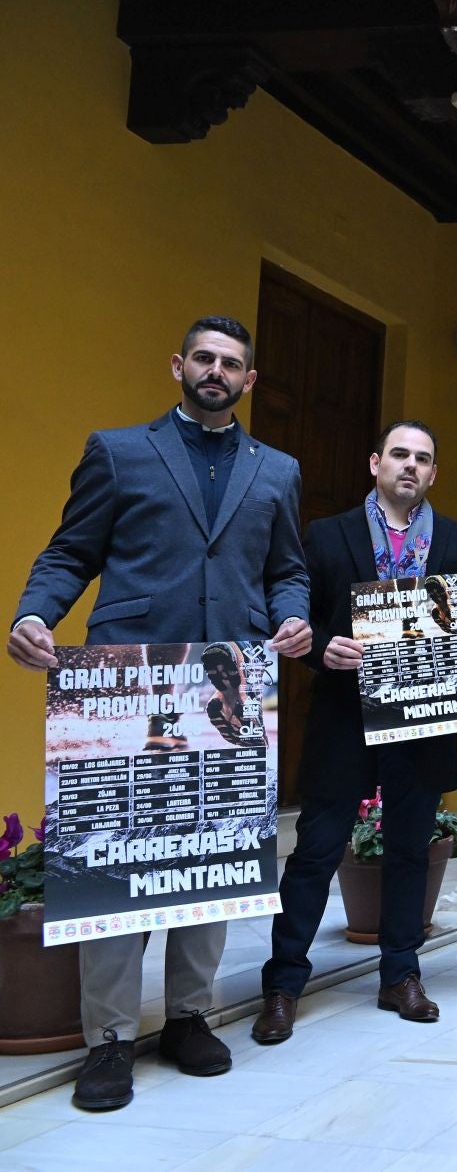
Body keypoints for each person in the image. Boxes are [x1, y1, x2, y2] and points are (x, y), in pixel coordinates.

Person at [8, 316, 311, 1112]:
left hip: (229, 687)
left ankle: (188, 1016)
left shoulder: (276, 470)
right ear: (179, 365)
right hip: (125, 685)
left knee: (213, 852)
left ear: (249, 381)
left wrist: (292, 617)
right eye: (204, 358)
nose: (216, 371)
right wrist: (34, 614)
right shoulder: (119, 451)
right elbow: (71, 551)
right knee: (117, 858)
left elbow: (287, 569)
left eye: (232, 364)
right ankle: (107, 1038)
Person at [254, 421, 457, 1043]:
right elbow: (299, 620)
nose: (411, 466)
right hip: (344, 717)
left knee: (410, 851)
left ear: (434, 474)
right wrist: (321, 650)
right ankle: (282, 984)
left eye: (424, 459)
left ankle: (400, 976)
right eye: (400, 455)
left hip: (423, 719)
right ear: (375, 462)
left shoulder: (455, 540)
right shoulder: (327, 535)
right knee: (314, 852)